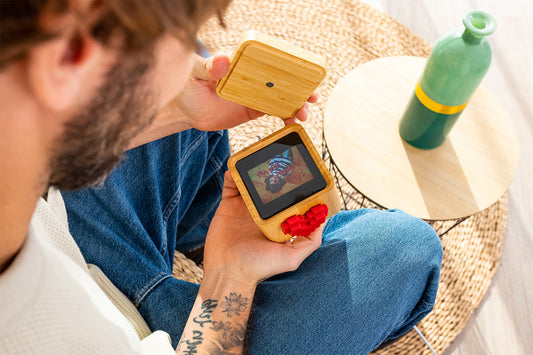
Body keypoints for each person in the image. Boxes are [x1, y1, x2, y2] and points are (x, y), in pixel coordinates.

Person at [0, 0, 443, 354]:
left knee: (198, 82)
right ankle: (177, 273)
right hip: (141, 332)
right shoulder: (36, 334)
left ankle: (197, 231)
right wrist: (230, 276)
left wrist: (175, 108)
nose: (184, 52)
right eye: (165, 42)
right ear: (70, 58)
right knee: (403, 249)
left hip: (52, 218)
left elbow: (39, 157)